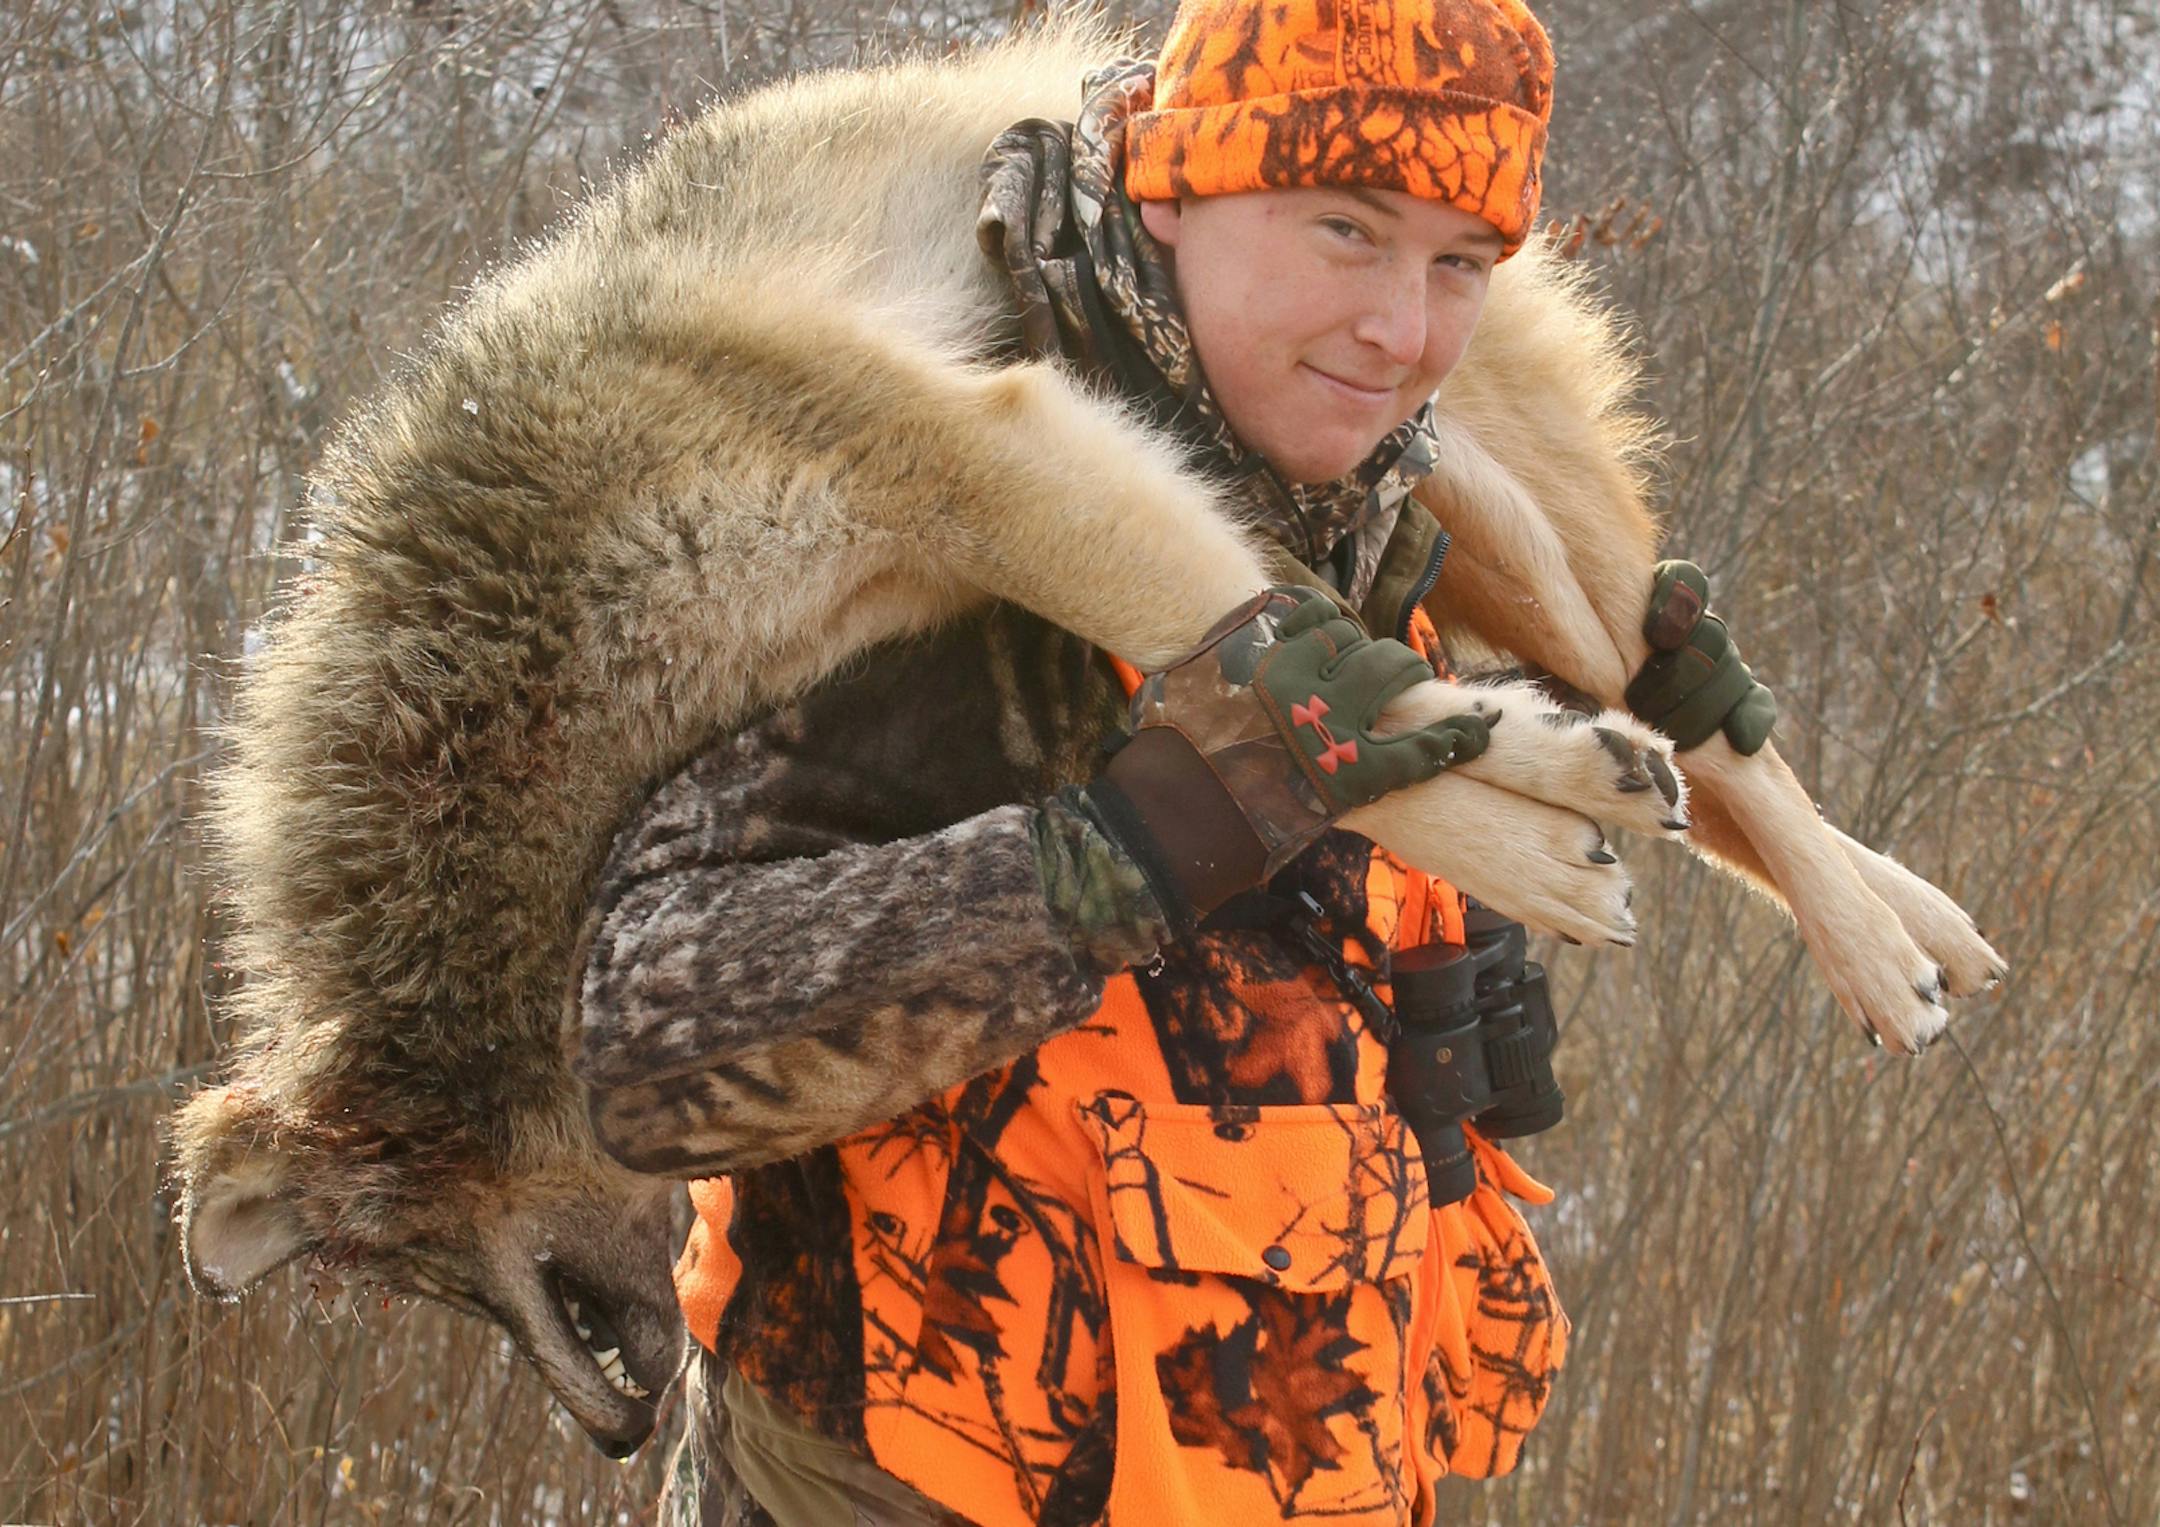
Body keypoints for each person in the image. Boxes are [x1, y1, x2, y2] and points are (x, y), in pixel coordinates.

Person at [578, 2, 1579, 1522]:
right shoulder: (954, 503)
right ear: (1167, 190)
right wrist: (1116, 861)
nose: (1402, 328)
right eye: (1344, 231)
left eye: (1458, 264)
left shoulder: (1359, 505)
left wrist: (1440, 985)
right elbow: (637, 1048)